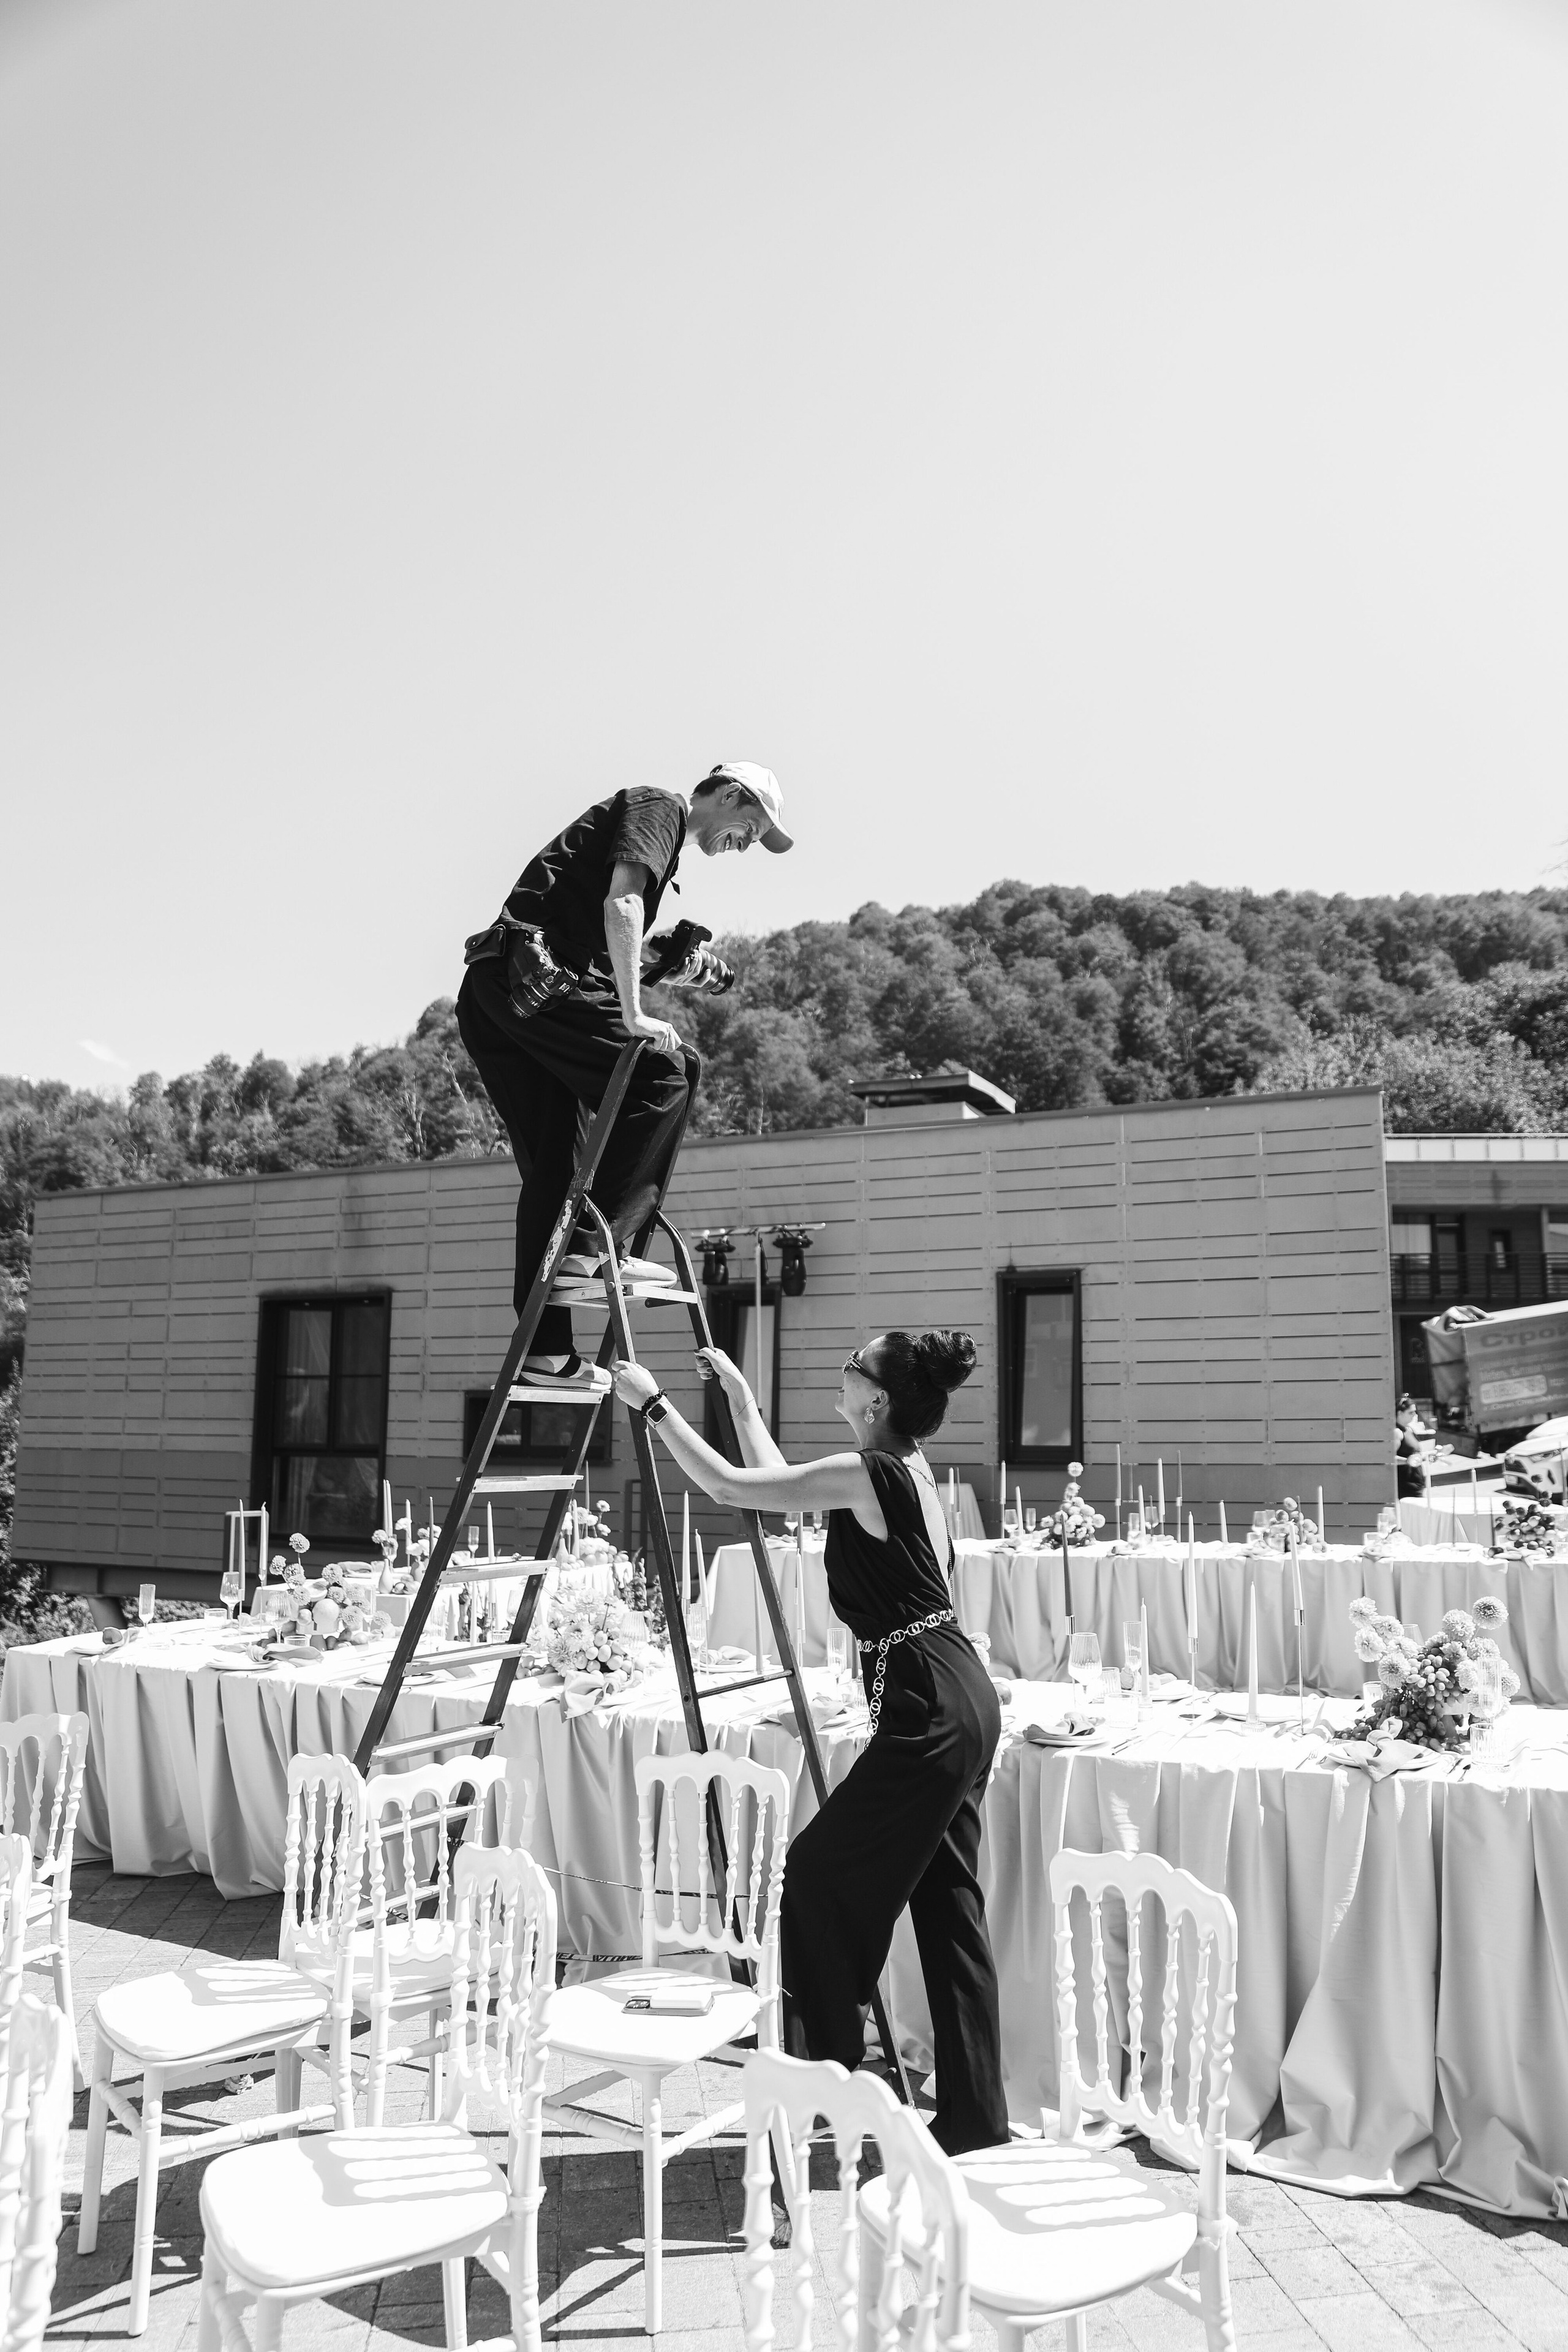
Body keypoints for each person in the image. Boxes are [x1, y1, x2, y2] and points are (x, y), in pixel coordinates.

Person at [611, 1328, 1009, 2157]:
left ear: (877, 1399)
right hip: (958, 1692)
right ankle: (974, 2121)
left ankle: (824, 2081)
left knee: (817, 1878)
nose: (843, 1369)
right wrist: (741, 1401)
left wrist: (653, 1407)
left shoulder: (868, 1472)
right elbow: (774, 1486)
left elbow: (731, 1486)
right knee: (948, 1906)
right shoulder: (902, 1469)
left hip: (930, 1704)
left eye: (854, 1365)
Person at [458, 764, 791, 1395]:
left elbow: (596, 928)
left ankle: (544, 1352)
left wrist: (666, 962)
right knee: (668, 1071)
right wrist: (635, 1013)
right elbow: (624, 901)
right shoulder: (660, 808)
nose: (745, 845)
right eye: (750, 829)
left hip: (501, 991)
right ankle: (597, 1247)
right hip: (537, 981)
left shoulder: (656, 837)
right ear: (729, 795)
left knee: (556, 1166)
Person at [1395, 1392, 1429, 1499]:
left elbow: (1415, 1455)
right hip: (1405, 1487)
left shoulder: (1409, 1430)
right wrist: (1407, 1461)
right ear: (1400, 1413)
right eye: (1411, 1412)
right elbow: (1389, 1459)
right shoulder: (1397, 1433)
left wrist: (1430, 1456)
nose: (1414, 1415)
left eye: (1415, 1412)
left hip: (1417, 1485)